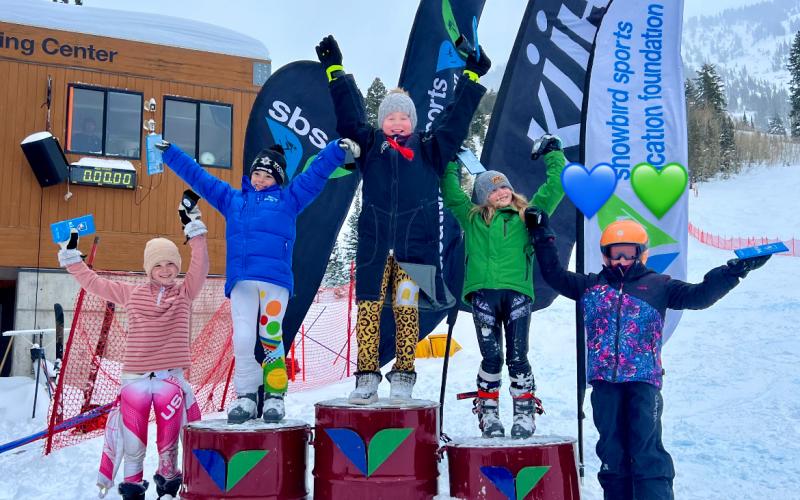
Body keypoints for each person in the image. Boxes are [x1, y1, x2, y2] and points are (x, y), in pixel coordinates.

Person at [527, 215, 771, 500]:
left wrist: (733, 271)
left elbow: (700, 296)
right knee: (611, 451)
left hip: (643, 382)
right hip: (605, 382)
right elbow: (554, 274)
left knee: (646, 451)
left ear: (642, 253)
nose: (621, 260)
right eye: (614, 253)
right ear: (604, 256)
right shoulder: (590, 286)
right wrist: (542, 234)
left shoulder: (659, 285)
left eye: (628, 253)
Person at [315, 34, 491, 404]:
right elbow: (349, 118)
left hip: (415, 248)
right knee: (367, 310)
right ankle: (366, 375)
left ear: (412, 121)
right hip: (375, 246)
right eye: (390, 117)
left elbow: (455, 121)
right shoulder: (370, 146)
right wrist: (336, 72)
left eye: (402, 117)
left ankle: (404, 375)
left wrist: (472, 79)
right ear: (382, 121)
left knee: (406, 311)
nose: (396, 123)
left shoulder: (429, 148)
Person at [156, 137, 352, 423]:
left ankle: (274, 396)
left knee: (271, 336)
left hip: (274, 281)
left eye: (268, 175)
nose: (260, 179)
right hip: (242, 283)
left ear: (278, 178)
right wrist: (170, 153)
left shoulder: (289, 199)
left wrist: (336, 150)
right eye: (257, 173)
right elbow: (199, 177)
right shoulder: (233, 200)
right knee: (243, 339)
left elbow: (315, 174)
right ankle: (246, 395)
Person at [58, 192, 208, 500]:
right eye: (159, 265)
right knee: (132, 439)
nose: (166, 270)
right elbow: (95, 283)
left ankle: (168, 482)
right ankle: (133, 486)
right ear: (147, 268)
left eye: (171, 264)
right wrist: (73, 258)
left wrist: (194, 230)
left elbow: (201, 264)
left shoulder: (185, 292)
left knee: (169, 440)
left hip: (170, 379)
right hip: (135, 380)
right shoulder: (132, 293)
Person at [440, 135, 566, 439]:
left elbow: (556, 186)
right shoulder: (471, 219)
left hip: (517, 295)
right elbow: (451, 191)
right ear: (482, 196)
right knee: (492, 356)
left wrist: (554, 155)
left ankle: (524, 412)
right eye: (493, 189)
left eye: (505, 186)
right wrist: (448, 159)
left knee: (518, 356)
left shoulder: (528, 215)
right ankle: (488, 412)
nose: (501, 192)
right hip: (482, 295)